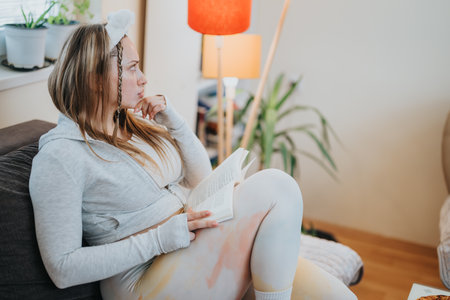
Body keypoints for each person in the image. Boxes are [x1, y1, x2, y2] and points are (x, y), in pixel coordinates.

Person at [29, 10, 357, 300]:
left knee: (339, 297)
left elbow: (202, 180)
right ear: (96, 80)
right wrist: (158, 239)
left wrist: (175, 122)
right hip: (141, 277)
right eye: (131, 68)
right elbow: (62, 268)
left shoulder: (132, 126)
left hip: (188, 249)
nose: (143, 79)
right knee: (278, 187)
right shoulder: (61, 157)